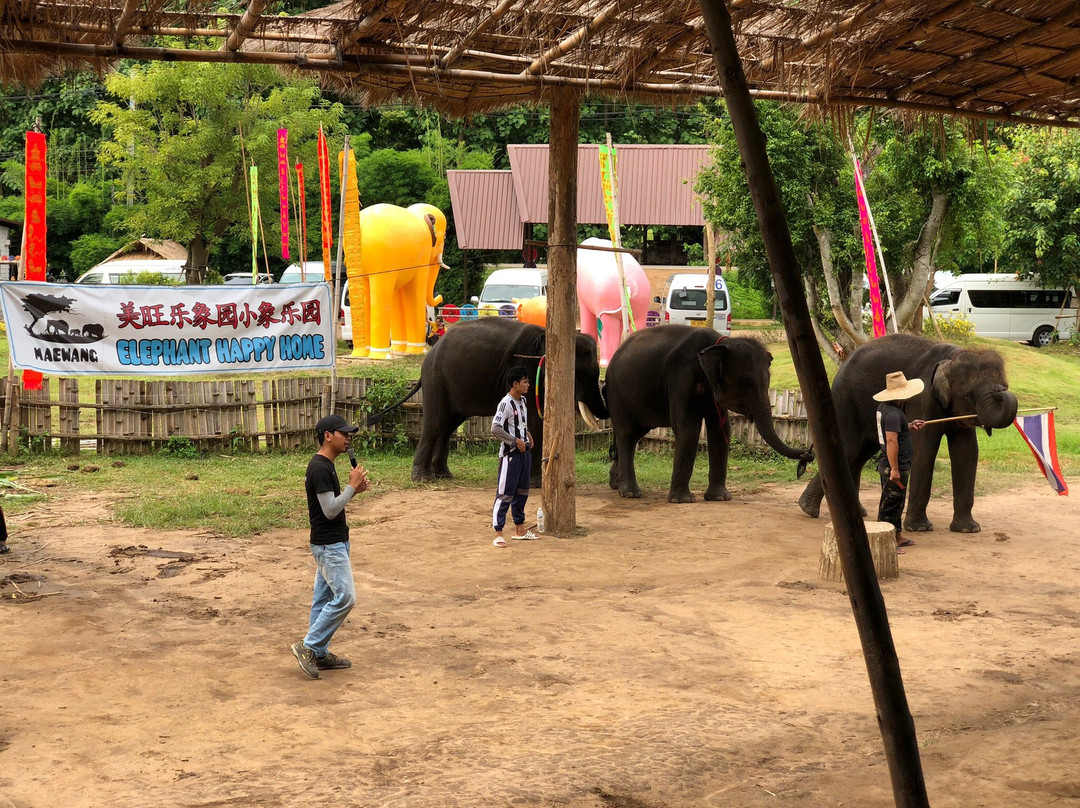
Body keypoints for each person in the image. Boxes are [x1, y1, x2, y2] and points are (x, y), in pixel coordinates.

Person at [291, 414, 369, 680]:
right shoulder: (320, 468)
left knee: (323, 600)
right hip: (329, 545)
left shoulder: (327, 464)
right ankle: (308, 646)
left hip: (332, 543)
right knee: (346, 597)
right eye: (343, 433)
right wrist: (351, 487)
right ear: (327, 436)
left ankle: (320, 653)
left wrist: (353, 490)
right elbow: (330, 510)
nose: (348, 438)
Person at [874, 371, 926, 552]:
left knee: (897, 502)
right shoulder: (894, 414)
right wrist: (894, 469)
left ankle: (896, 535)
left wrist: (909, 425)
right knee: (890, 504)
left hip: (894, 464)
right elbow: (891, 440)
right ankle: (885, 542)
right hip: (893, 466)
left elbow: (893, 431)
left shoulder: (885, 408)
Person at [490, 366, 538, 547]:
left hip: (525, 454)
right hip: (510, 456)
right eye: (525, 381)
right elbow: (495, 428)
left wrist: (528, 436)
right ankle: (498, 532)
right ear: (515, 384)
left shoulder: (523, 401)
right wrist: (513, 441)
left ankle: (520, 529)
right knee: (505, 493)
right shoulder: (505, 403)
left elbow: (521, 424)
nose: (528, 384)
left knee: (522, 492)